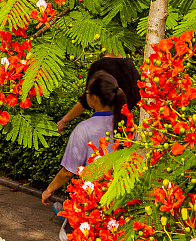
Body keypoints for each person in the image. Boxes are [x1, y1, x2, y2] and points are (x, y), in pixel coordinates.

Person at [42, 70, 125, 206]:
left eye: (86, 93)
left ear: (94, 98)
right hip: (122, 199)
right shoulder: (128, 125)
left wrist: (48, 190)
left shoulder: (83, 129)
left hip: (94, 201)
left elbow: (68, 172)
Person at [56, 51, 141, 135]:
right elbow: (139, 99)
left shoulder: (98, 66)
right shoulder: (130, 65)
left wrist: (64, 121)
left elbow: (85, 102)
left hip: (100, 131)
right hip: (126, 130)